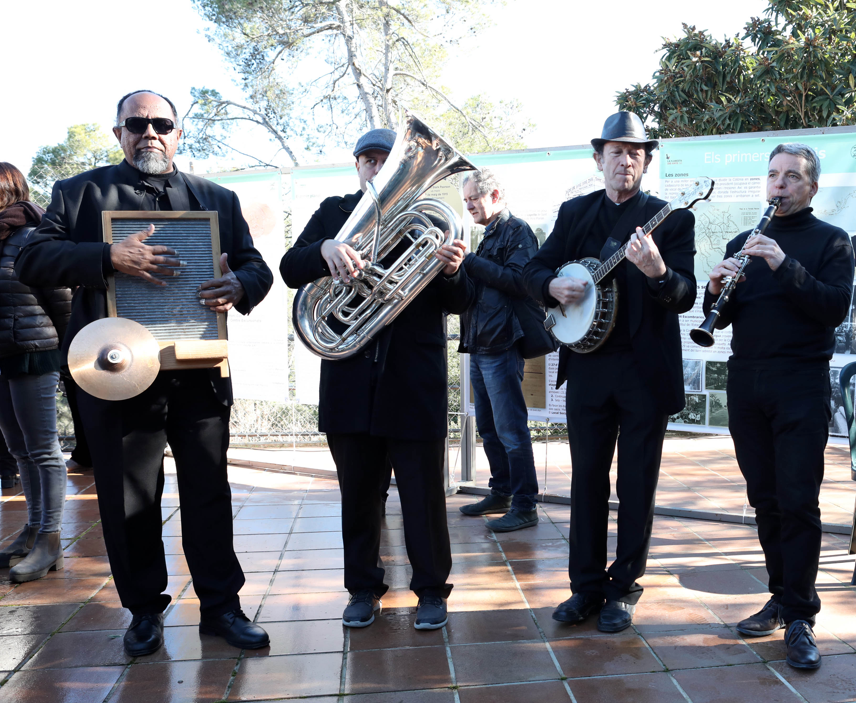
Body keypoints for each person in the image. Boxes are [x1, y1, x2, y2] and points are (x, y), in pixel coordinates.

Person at [16, 90, 274, 656]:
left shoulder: (217, 197)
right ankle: (143, 610)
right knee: (128, 498)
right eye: (137, 124)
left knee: (209, 491)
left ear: (178, 133)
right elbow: (32, 260)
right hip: (115, 373)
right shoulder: (80, 193)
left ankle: (221, 608)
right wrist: (107, 257)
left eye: (161, 123)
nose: (149, 132)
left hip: (198, 370)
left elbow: (256, 267)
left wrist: (240, 285)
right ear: (119, 133)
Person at [279, 128, 472, 631]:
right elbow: (289, 268)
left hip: (414, 382)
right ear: (357, 166)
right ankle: (362, 589)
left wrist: (453, 272)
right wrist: (325, 249)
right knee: (358, 497)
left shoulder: (432, 219)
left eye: (385, 159)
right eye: (368, 159)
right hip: (349, 382)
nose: (376, 167)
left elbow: (461, 301)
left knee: (423, 497)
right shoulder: (334, 212)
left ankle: (431, 591)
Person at [522, 112, 696, 633]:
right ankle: (585, 586)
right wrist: (550, 286)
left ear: (646, 162)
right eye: (616, 152)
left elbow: (684, 296)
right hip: (589, 367)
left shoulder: (671, 219)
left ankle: (624, 587)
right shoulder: (575, 213)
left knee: (637, 482)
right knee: (587, 479)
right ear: (599, 159)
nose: (626, 161)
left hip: (645, 371)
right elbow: (533, 270)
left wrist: (658, 272)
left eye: (635, 153)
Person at [702, 143, 853, 670]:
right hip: (747, 382)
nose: (779, 184)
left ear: (812, 187)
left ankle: (801, 615)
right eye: (773, 175)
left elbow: (833, 308)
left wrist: (784, 264)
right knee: (764, 499)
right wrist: (715, 289)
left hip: (800, 383)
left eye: (791, 176)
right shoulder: (743, 242)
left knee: (798, 501)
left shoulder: (831, 241)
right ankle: (780, 596)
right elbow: (721, 317)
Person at [456, 168, 552, 532]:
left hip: (502, 344)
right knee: (488, 426)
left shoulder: (517, 230)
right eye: (465, 200)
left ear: (494, 195)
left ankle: (525, 505)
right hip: (481, 343)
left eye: (473, 199)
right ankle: (501, 492)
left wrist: (468, 261)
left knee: (511, 429)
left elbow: (519, 282)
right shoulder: (489, 235)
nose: (468, 206)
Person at [0, 163, 71, 581]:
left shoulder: (30, 236)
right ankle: (32, 531)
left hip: (35, 353)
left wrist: (71, 357)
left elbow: (61, 298)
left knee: (43, 450)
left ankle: (50, 538)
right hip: (3, 357)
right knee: (19, 450)